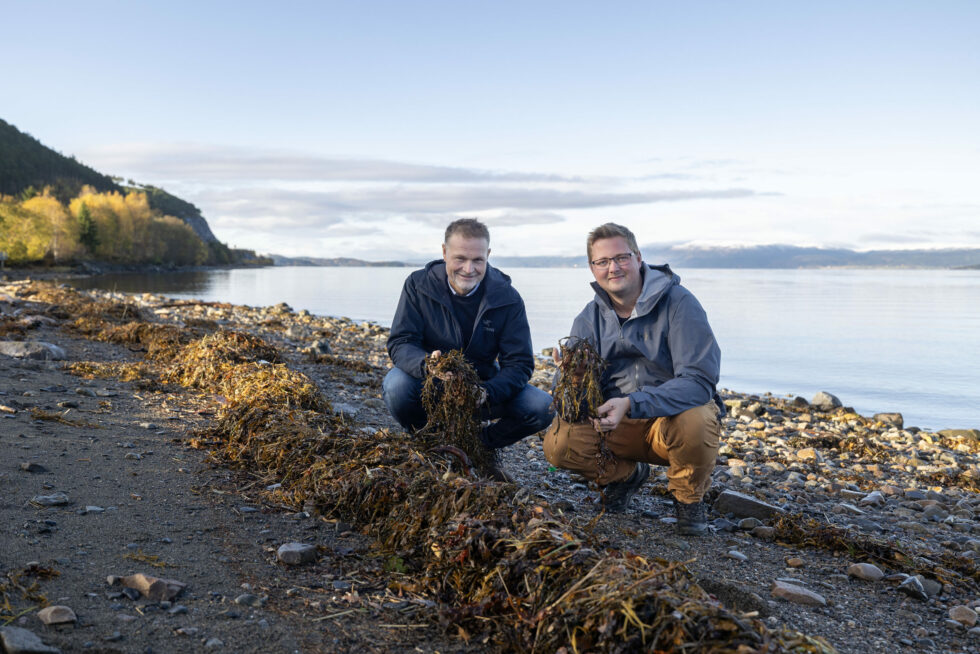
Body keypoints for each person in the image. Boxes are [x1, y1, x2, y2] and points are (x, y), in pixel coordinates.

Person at [543, 223, 723, 536]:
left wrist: (631, 403)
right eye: (602, 261)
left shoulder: (679, 304)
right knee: (560, 443)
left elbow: (699, 380)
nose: (613, 268)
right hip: (616, 425)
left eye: (621, 258)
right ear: (592, 268)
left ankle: (688, 498)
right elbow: (568, 406)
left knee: (698, 417)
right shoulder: (589, 317)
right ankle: (625, 477)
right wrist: (573, 379)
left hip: (670, 422)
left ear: (638, 258)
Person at [383, 218, 555, 473]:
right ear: (444, 252)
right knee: (395, 385)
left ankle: (479, 446)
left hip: (482, 390)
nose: (468, 269)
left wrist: (487, 392)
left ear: (488, 255)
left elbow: (519, 363)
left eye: (477, 260)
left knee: (542, 406)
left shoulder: (507, 297)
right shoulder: (418, 285)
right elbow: (401, 341)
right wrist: (426, 364)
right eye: (460, 258)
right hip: (429, 385)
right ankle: (429, 440)